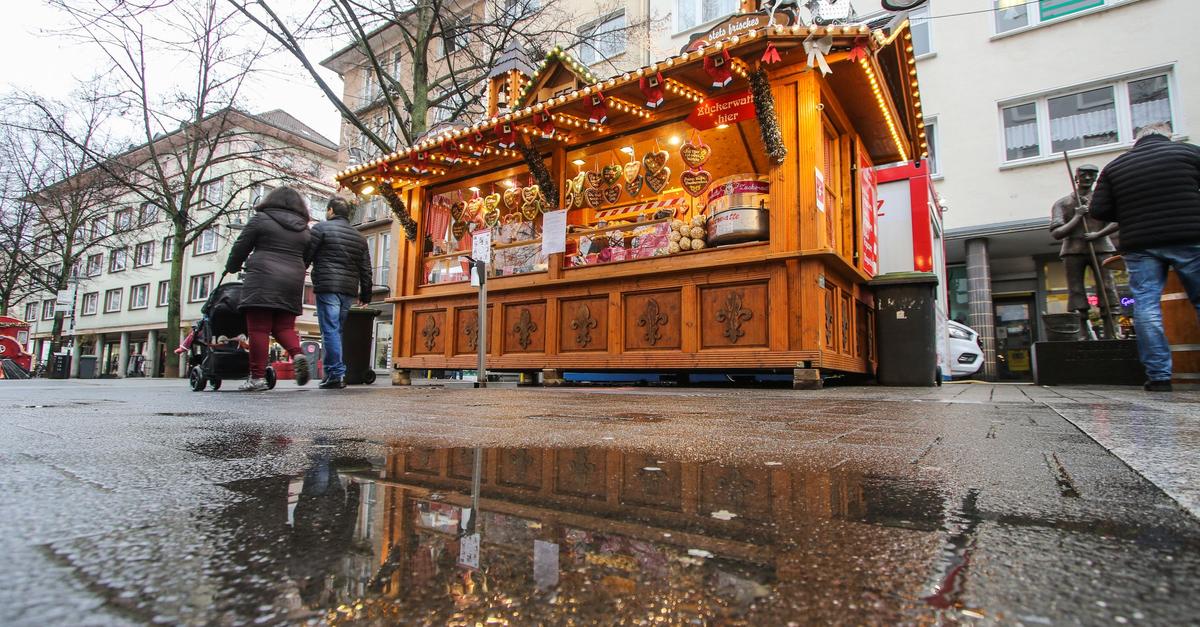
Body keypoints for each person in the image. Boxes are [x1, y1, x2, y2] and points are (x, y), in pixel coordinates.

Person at [1089, 123, 1200, 392]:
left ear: (1135, 140)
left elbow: (1100, 209)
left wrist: (1131, 212)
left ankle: (1160, 376)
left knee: (1147, 308)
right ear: (1168, 135)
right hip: (1190, 235)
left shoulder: (1116, 167)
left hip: (1141, 242)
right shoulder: (1189, 153)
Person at [225, 186, 313, 391]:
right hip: (293, 280)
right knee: (284, 327)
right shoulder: (304, 229)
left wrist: (232, 266)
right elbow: (307, 256)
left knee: (258, 329)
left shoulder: (261, 219)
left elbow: (241, 245)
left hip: (262, 278)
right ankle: (297, 354)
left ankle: (257, 377)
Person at [304, 196, 372, 389]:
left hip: (327, 286)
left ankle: (335, 373)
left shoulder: (320, 229)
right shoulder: (359, 237)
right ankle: (330, 372)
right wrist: (366, 294)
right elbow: (366, 269)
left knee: (330, 330)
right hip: (348, 290)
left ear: (331, 211)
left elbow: (306, 256)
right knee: (336, 331)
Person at [1049, 164, 1119, 340]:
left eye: (1091, 175)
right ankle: (1080, 333)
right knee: (1076, 290)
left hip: (1101, 247)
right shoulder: (1063, 203)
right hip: (1073, 250)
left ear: (1096, 178)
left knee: (1107, 287)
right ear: (1076, 177)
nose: (1087, 178)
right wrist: (1077, 216)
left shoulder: (1102, 200)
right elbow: (1057, 233)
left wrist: (1098, 234)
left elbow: (1117, 221)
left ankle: (1112, 331)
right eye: (1084, 174)